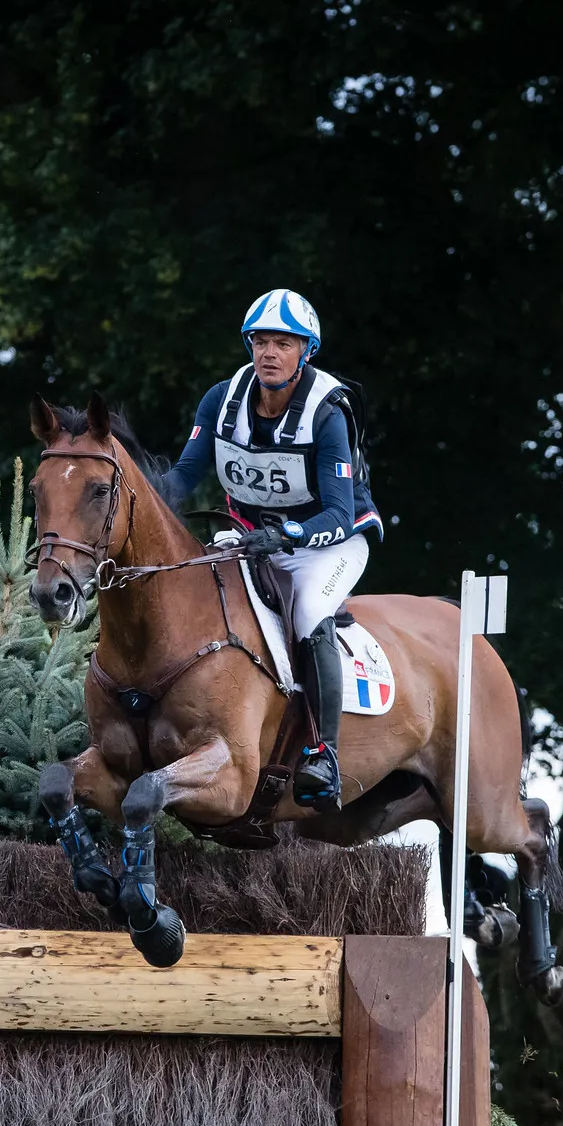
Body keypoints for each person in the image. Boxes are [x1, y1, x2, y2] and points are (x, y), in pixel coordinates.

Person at [165, 289, 384, 806]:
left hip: (329, 542)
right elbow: (183, 477)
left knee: (308, 612)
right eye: (260, 342)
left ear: (305, 352)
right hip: (253, 538)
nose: (269, 353)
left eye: (283, 344)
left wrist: (287, 536)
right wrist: (135, 494)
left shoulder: (327, 413)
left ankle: (324, 755)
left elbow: (337, 513)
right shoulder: (221, 400)